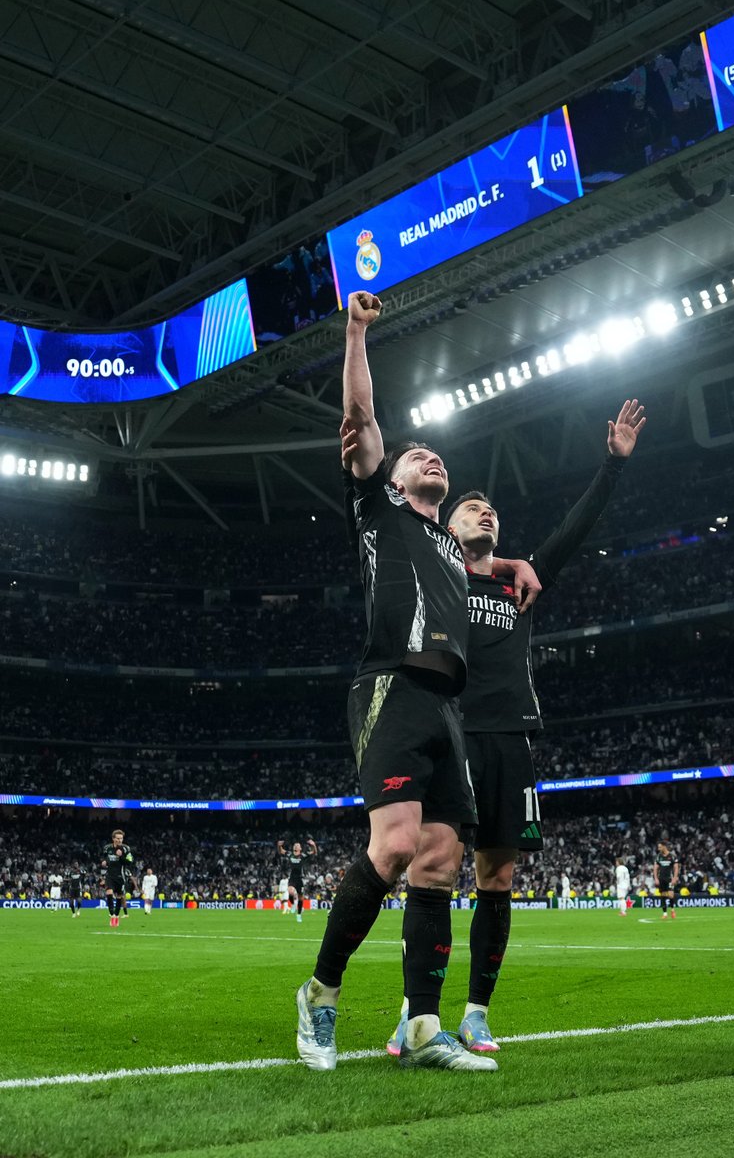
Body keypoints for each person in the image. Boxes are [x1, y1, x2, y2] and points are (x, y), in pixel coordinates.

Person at [346, 399, 644, 1054]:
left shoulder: (521, 584)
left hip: (511, 738)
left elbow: (570, 533)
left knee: (498, 879)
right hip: (450, 732)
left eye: (492, 513)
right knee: (431, 868)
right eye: (470, 509)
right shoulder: (438, 569)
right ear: (446, 529)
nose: (484, 513)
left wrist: (612, 467)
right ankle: (414, 1010)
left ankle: (476, 1011)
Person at [296, 290, 538, 1074]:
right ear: (392, 481)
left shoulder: (450, 548)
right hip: (390, 688)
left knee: (438, 861)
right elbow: (363, 423)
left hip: (449, 709)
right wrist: (357, 334)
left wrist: (510, 560)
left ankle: (426, 1028)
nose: (431, 459)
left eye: (440, 458)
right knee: (395, 844)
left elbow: (488, 557)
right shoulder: (379, 512)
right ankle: (321, 996)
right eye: (417, 458)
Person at [101, 828, 134, 928]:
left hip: (121, 877)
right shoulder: (107, 848)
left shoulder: (126, 849)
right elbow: (106, 858)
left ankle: (116, 916)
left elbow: (130, 862)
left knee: (119, 897)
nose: (120, 840)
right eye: (118, 838)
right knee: (109, 893)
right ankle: (112, 914)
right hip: (110, 876)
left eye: (121, 838)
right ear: (113, 839)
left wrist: (121, 857)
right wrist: (104, 862)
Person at [278, 838, 317, 922]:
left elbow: (314, 852)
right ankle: (292, 904)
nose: (296, 845)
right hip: (292, 878)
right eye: (295, 845)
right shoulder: (290, 854)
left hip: (300, 879)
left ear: (300, 848)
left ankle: (299, 915)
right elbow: (281, 851)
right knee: (290, 891)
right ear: (293, 848)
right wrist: (279, 846)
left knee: (301, 898)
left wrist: (313, 845)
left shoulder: (303, 855)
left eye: (298, 845)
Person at [651, 840, 679, 920]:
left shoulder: (672, 856)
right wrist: (656, 878)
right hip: (661, 879)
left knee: (670, 895)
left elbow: (676, 868)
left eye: (660, 847)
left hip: (669, 879)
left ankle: (672, 910)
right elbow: (655, 868)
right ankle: (665, 913)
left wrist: (675, 878)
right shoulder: (658, 856)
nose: (659, 848)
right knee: (663, 896)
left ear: (664, 846)